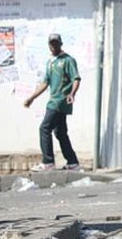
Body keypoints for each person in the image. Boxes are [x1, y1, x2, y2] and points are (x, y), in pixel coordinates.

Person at [24, 34, 81, 171]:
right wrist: (32, 97)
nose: (54, 46)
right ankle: (73, 162)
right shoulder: (50, 62)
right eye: (52, 44)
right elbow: (45, 83)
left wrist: (72, 93)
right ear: (49, 45)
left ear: (61, 44)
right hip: (53, 99)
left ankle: (48, 161)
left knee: (44, 128)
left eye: (56, 43)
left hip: (61, 100)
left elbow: (76, 78)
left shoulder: (68, 60)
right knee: (60, 132)